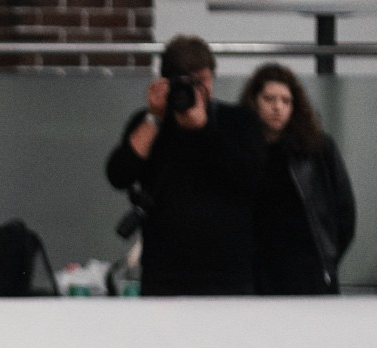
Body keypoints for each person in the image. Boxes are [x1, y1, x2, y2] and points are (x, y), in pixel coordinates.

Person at [104, 35, 264, 296]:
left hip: (228, 274)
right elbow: (118, 175)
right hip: (164, 274)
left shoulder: (239, 121)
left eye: (201, 82)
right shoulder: (150, 125)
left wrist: (204, 130)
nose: (195, 91)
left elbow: (250, 178)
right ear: (165, 83)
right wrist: (154, 118)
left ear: (212, 79)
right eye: (186, 83)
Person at [241, 63, 356, 296]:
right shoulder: (241, 148)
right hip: (258, 273)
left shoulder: (317, 149)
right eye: (269, 99)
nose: (277, 107)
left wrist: (327, 263)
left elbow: (345, 214)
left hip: (309, 272)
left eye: (286, 101)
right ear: (254, 101)